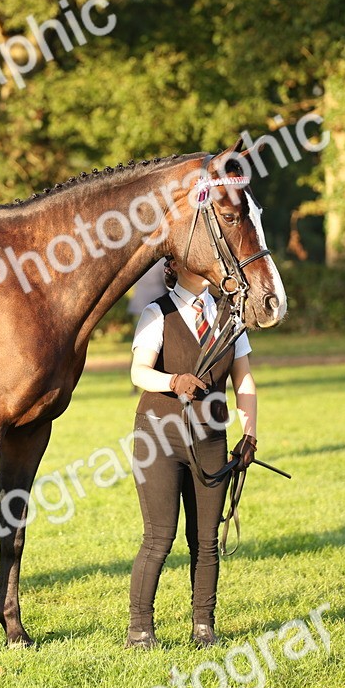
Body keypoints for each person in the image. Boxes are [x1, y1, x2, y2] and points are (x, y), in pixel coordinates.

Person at [125, 256, 258, 649]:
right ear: (176, 268)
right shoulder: (156, 313)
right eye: (196, 263)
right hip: (158, 440)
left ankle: (204, 626)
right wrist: (174, 380)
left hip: (211, 439)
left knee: (206, 540)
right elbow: (138, 372)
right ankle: (140, 630)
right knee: (159, 537)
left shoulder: (231, 316)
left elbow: (244, 378)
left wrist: (249, 434)